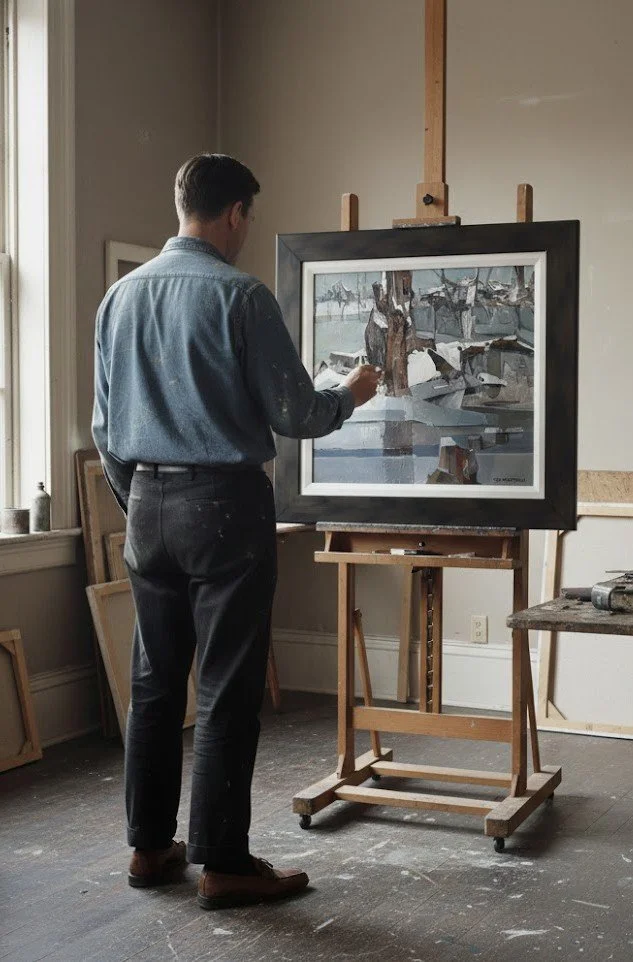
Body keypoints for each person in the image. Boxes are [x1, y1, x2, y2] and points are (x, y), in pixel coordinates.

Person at [92, 153, 381, 910]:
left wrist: (143, 505)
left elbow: (104, 427)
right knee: (225, 688)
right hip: (224, 505)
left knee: (154, 687)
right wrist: (347, 390)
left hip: (147, 506)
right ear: (234, 214)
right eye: (247, 218)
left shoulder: (118, 298)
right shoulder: (240, 296)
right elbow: (296, 416)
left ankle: (150, 849)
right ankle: (223, 861)